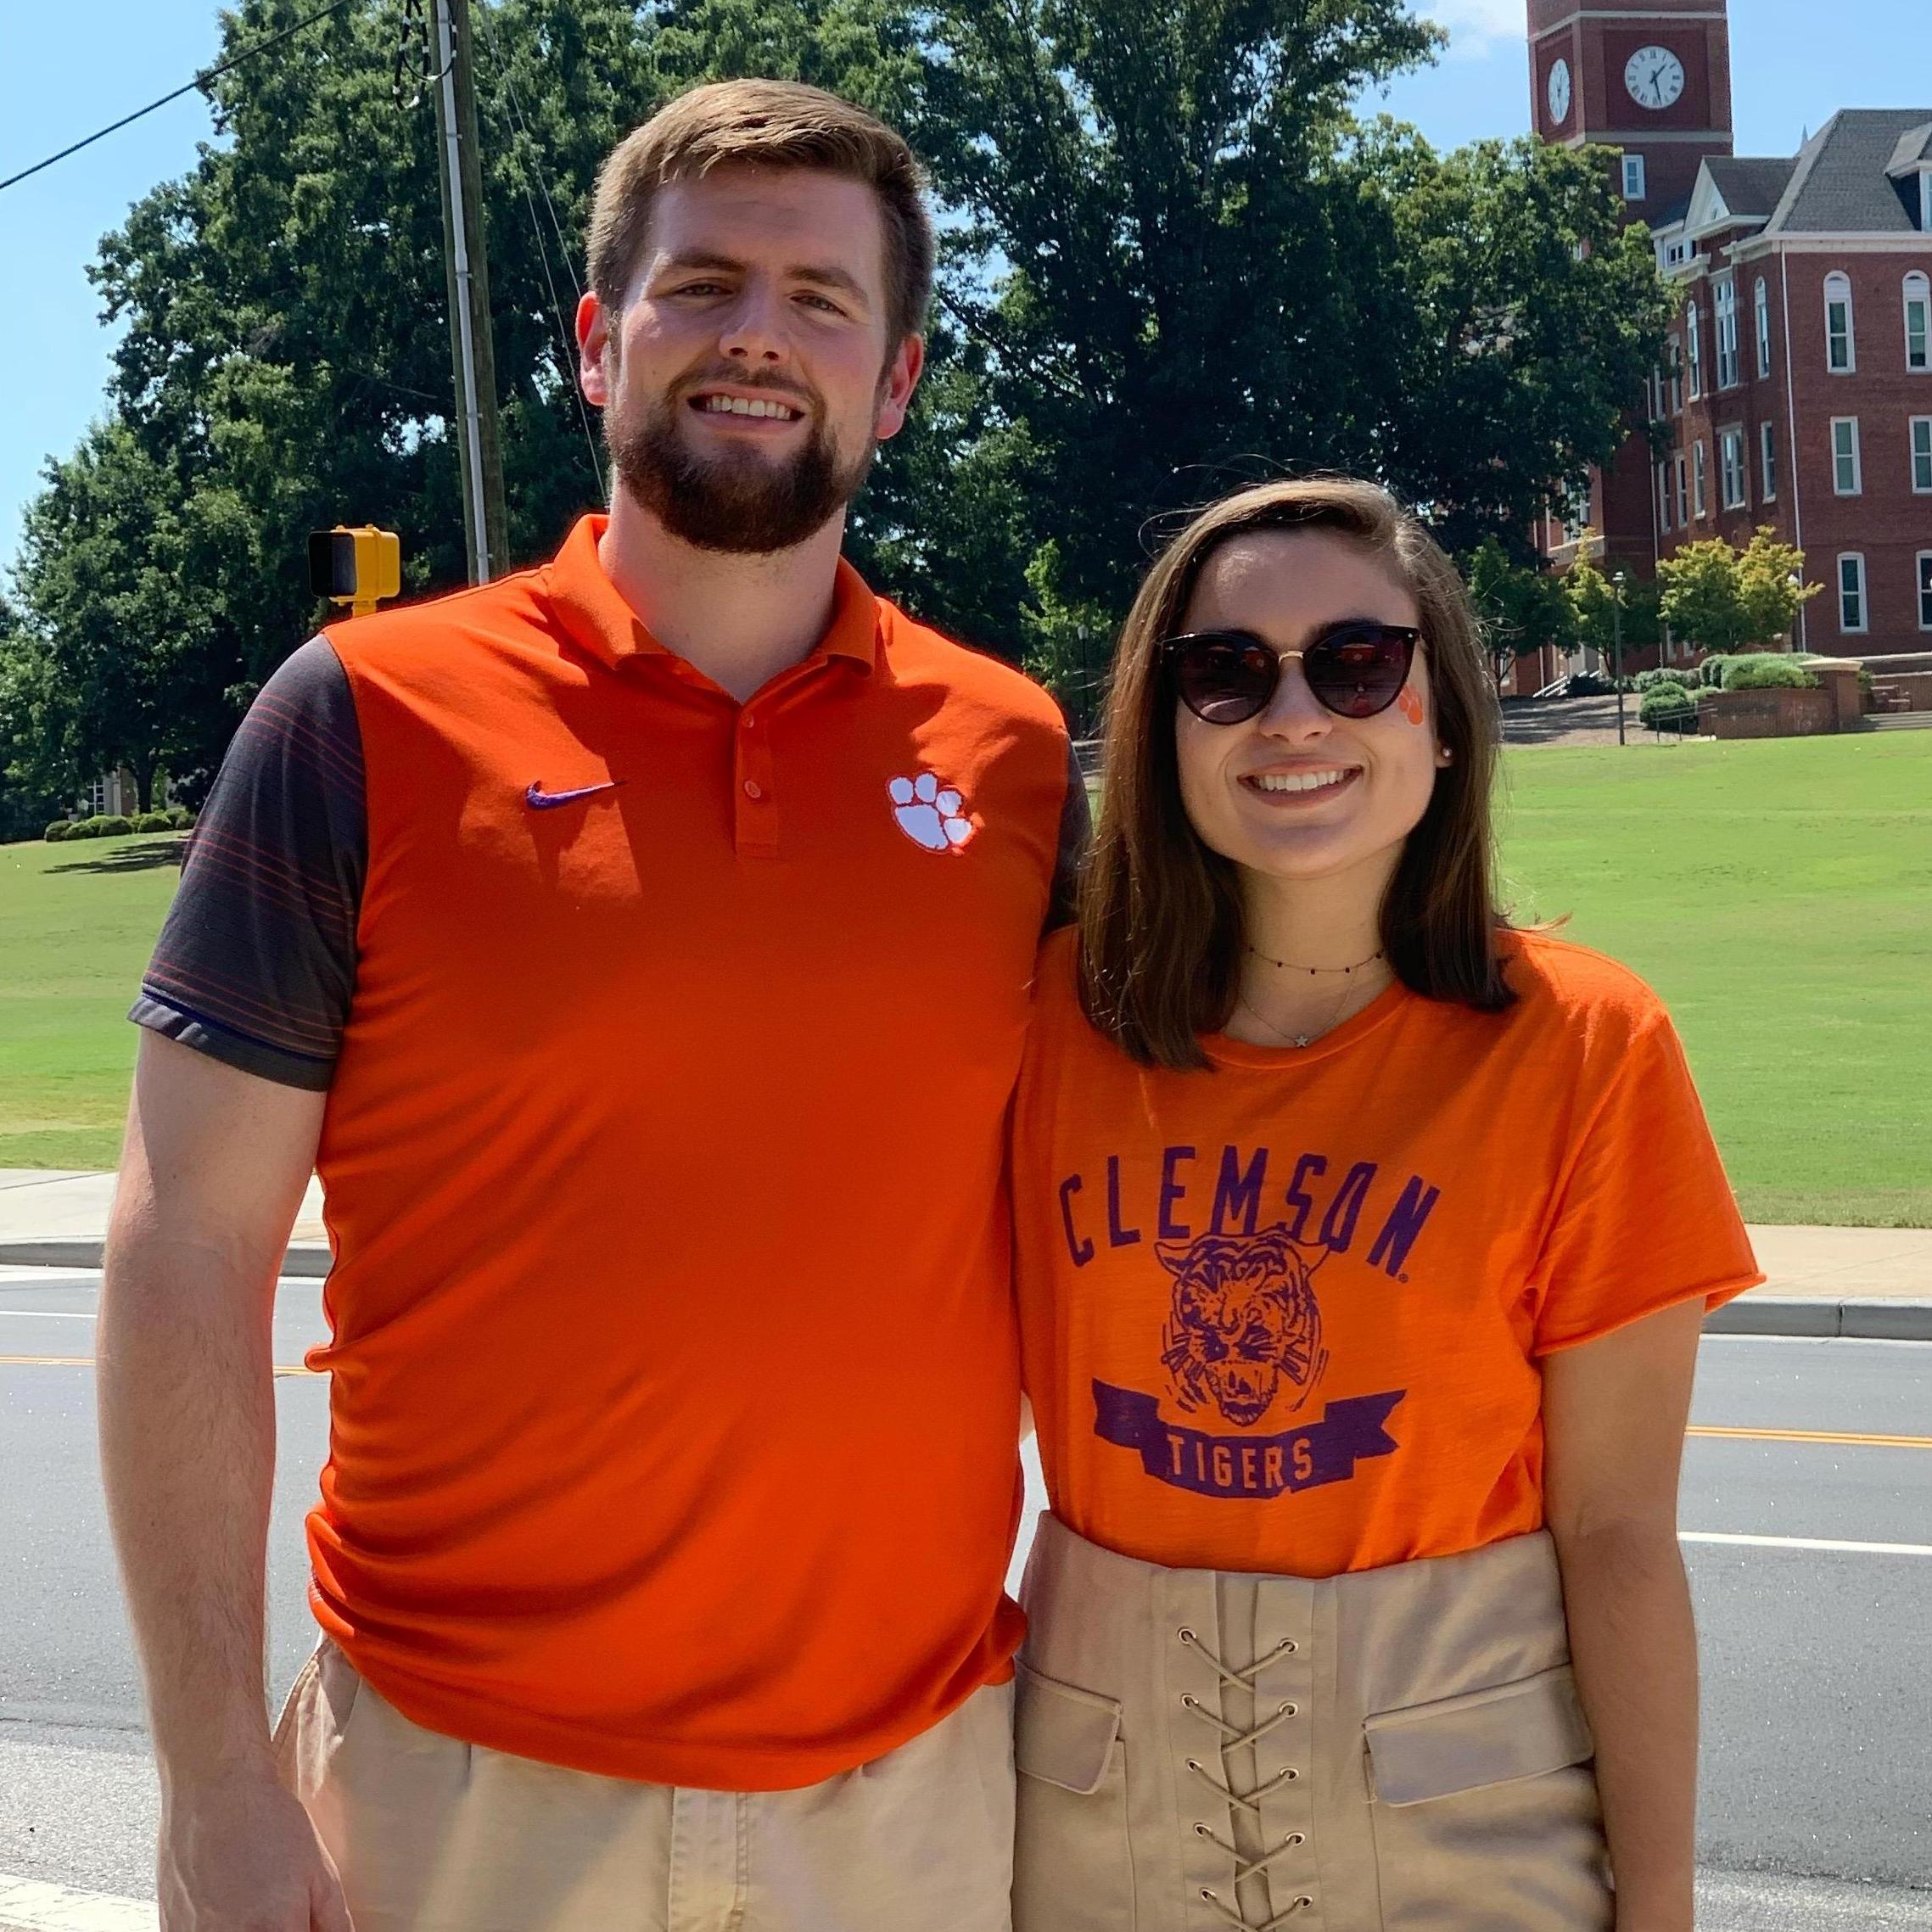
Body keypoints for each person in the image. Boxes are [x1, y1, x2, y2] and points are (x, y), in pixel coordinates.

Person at [99, 79, 1084, 1932]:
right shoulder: (359, 714)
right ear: (593, 340)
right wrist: (214, 1781)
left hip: (909, 1797)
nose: (755, 335)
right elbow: (186, 1250)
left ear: (895, 379)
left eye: (820, 298)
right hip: (452, 1796)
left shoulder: (1014, 754)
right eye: (700, 283)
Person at [1007, 478, 1761, 1932]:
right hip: (1093, 1812)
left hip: (1468, 1820)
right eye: (1225, 672)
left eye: (1356, 663)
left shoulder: (1582, 1045)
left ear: (1443, 712)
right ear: (1162, 727)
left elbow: (1613, 1530)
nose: (1293, 715)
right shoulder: (1042, 1020)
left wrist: (1659, 1899)